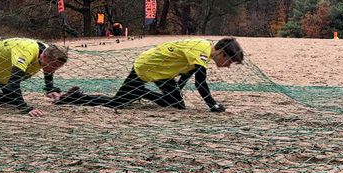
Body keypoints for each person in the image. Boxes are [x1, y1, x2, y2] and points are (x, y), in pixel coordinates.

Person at [55, 37, 243, 112]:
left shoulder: (203, 52)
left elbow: (188, 74)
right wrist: (214, 106)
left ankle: (141, 92)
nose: (228, 66)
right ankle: (73, 97)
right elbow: (200, 83)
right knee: (116, 103)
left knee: (177, 105)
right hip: (146, 67)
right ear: (221, 53)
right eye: (230, 62)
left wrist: (176, 89)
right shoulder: (201, 49)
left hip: (162, 73)